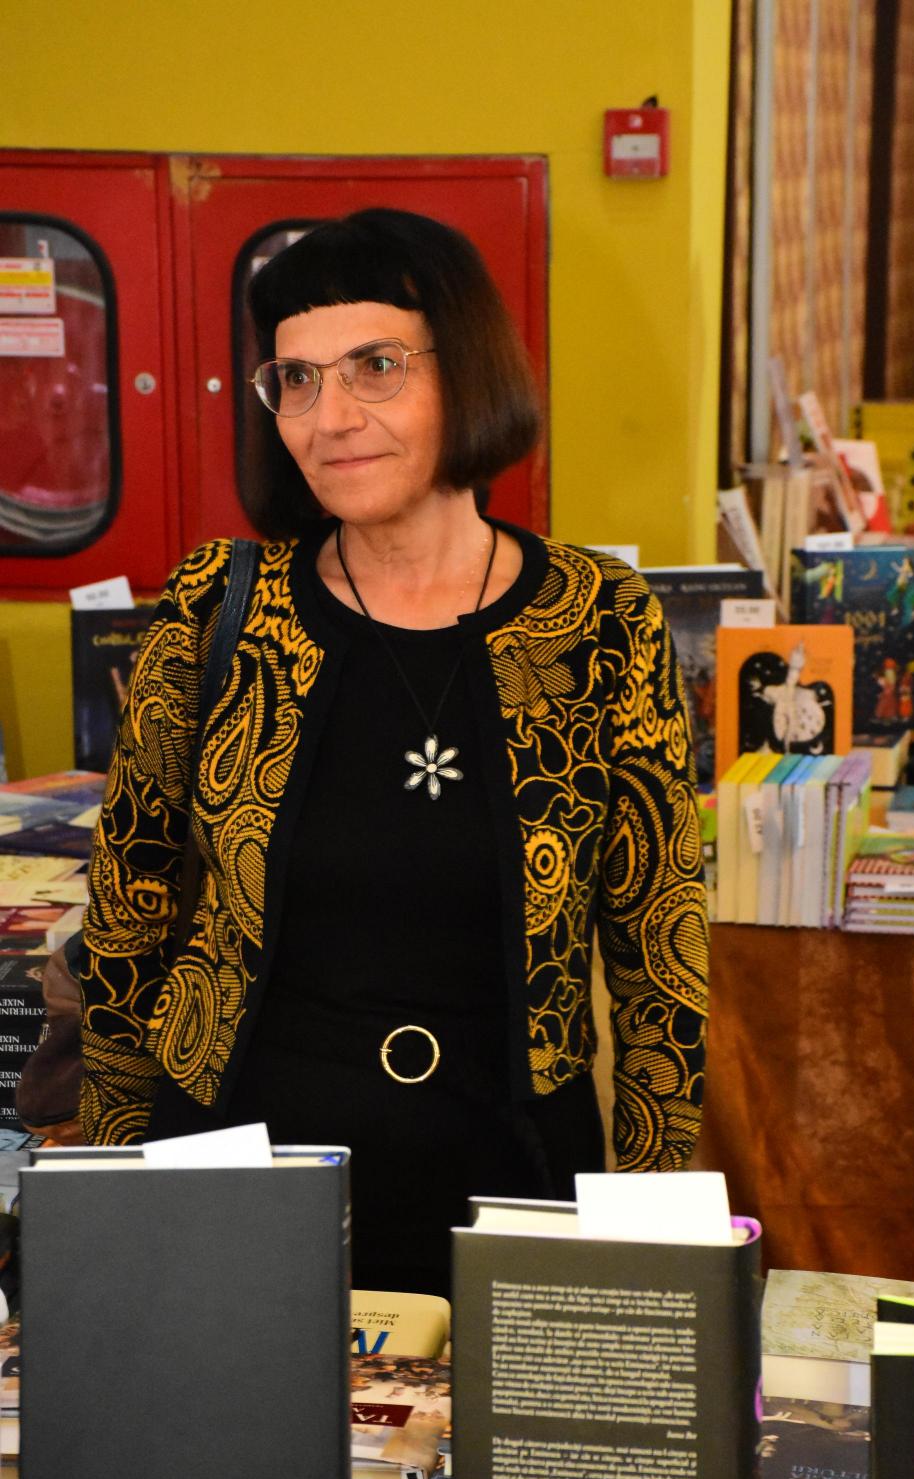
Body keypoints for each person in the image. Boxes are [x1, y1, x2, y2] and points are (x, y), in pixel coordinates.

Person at [79, 208, 708, 1295]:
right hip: (235, 1168)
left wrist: (652, 1230)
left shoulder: (599, 618)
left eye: (376, 366)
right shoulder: (218, 610)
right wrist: (106, 1195)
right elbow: (129, 910)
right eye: (296, 379)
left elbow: (659, 953)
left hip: (510, 1174)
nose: (331, 418)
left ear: (466, 371)